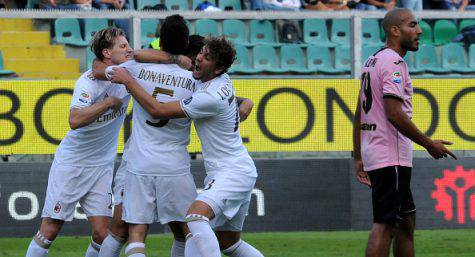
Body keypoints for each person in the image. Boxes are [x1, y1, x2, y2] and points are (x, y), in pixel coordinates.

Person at [108, 36, 264, 257]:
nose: (199, 58)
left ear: (218, 68)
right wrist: (247, 101)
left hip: (232, 172)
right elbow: (141, 54)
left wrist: (129, 81)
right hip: (235, 169)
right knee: (229, 244)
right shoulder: (217, 80)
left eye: (207, 57)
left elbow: (158, 111)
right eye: (201, 52)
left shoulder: (208, 97)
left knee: (195, 218)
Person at [353, 8, 457, 257]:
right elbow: (394, 113)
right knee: (384, 225)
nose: (419, 31)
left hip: (377, 152)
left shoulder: (373, 60)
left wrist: (358, 156)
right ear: (395, 31)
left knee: (406, 221)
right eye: (413, 25)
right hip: (391, 156)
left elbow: (359, 113)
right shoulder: (394, 63)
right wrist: (428, 143)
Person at [97, 33, 208, 257]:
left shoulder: (140, 69)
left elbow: (108, 65)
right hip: (164, 164)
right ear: (189, 55)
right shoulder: (194, 83)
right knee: (183, 230)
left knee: (132, 230)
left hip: (138, 161)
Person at [25, 27, 133, 257]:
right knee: (51, 228)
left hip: (102, 167)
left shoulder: (128, 74)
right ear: (106, 52)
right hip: (72, 164)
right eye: (123, 46)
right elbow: (74, 120)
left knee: (103, 235)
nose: (129, 49)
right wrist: (107, 103)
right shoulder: (88, 82)